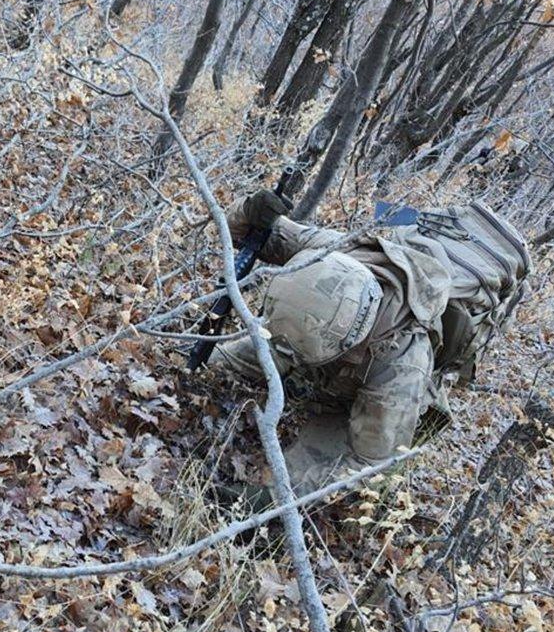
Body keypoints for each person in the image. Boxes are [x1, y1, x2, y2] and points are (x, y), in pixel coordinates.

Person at [215, 189, 531, 500]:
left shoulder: (402, 365)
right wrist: (250, 208)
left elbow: (371, 470)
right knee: (215, 362)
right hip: (299, 340)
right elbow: (244, 231)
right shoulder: (333, 253)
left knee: (298, 476)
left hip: (366, 378)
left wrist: (269, 503)